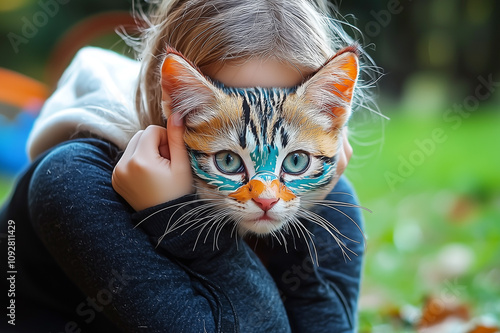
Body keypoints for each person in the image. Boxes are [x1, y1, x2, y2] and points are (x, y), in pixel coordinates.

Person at [1, 0, 374, 331]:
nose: (266, 195)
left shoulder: (320, 187)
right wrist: (176, 218)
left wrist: (305, 219)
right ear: (175, 103)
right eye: (229, 158)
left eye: (294, 158)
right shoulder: (74, 180)